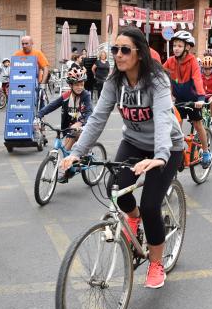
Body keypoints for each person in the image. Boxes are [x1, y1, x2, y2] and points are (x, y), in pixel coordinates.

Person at [60, 27, 184, 289]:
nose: (118, 54)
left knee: (151, 205)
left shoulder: (158, 81)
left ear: (139, 53)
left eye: (124, 49)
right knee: (115, 189)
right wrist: (75, 153)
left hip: (167, 147)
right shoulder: (113, 82)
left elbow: (163, 118)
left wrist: (160, 156)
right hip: (134, 143)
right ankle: (133, 217)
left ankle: (156, 262)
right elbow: (96, 120)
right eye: (115, 49)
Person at [163, 30, 212, 168]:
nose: (176, 48)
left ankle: (206, 152)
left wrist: (201, 98)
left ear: (187, 47)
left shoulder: (193, 62)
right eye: (174, 45)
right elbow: (159, 73)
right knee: (175, 126)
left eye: (179, 45)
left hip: (194, 100)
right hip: (179, 99)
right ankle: (178, 152)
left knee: (197, 124)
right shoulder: (170, 61)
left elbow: (197, 79)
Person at [38, 66, 92, 181]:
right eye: (77, 84)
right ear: (71, 85)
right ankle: (69, 172)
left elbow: (89, 112)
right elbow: (52, 105)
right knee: (66, 152)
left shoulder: (86, 95)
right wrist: (39, 114)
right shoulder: (66, 96)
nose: (80, 87)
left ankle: (86, 157)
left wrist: (80, 123)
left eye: (82, 84)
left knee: (81, 141)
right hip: (70, 128)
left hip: (83, 127)